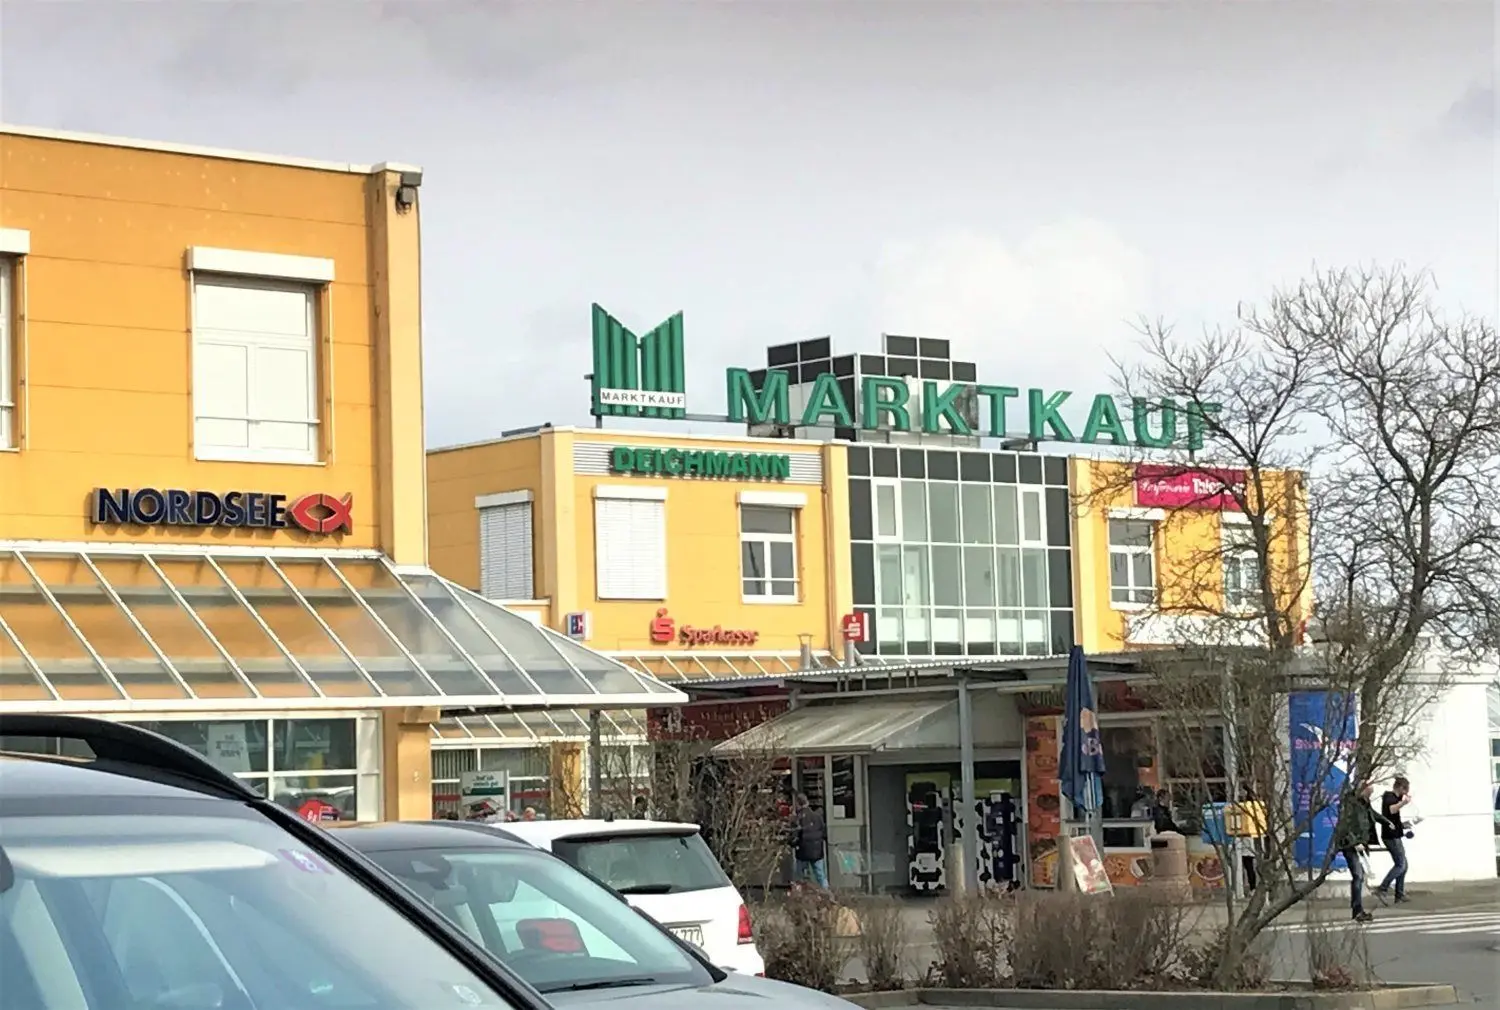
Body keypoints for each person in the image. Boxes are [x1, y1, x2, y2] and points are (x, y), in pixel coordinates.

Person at [1335, 780, 1388, 922]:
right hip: (1350, 845)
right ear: (1362, 790)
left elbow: (1373, 815)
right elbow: (1345, 825)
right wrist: (1355, 842)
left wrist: (1387, 822)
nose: (1369, 797)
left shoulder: (1364, 803)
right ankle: (1357, 910)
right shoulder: (1350, 803)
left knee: (1360, 875)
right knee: (1358, 875)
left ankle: (1358, 909)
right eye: (1368, 793)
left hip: (1362, 844)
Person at [1375, 775, 1413, 904]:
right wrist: (1403, 803)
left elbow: (1392, 819)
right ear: (1401, 788)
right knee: (1400, 865)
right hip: (1391, 836)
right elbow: (1391, 810)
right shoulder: (1389, 797)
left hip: (1395, 834)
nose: (1406, 793)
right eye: (1406, 790)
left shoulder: (1393, 798)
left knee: (1404, 865)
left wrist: (1404, 825)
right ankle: (1382, 888)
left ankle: (1399, 893)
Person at [791, 792, 828, 888]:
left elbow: (794, 836)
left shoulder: (798, 818)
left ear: (798, 804)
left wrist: (791, 843)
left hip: (803, 852)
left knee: (799, 876)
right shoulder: (817, 816)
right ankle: (827, 894)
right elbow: (824, 833)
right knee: (821, 875)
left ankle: (799, 896)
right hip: (817, 851)